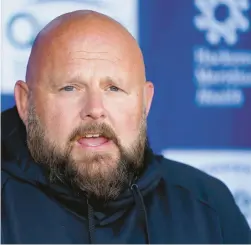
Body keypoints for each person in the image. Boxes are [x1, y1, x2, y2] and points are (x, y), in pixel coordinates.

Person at [1, 10, 251, 244]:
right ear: (25, 102)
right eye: (70, 88)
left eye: (114, 88)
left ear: (145, 102)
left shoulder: (207, 207)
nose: (95, 108)